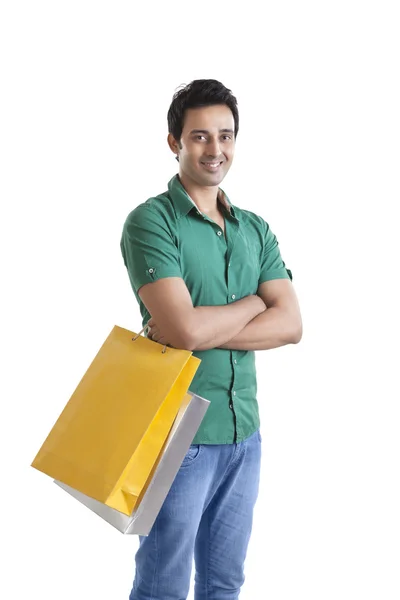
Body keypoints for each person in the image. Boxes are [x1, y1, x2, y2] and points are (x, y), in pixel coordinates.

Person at [120, 79, 302, 600]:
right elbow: (183, 330)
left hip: (246, 435)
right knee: (163, 584)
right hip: (181, 437)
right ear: (174, 142)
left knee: (225, 583)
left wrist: (204, 328)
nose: (215, 150)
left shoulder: (255, 229)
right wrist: (254, 304)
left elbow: (291, 325)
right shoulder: (151, 222)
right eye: (200, 136)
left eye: (226, 136)